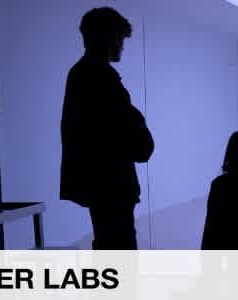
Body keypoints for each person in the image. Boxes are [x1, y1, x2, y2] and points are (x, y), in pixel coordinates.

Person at [60, 7, 154, 250]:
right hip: (111, 185)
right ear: (109, 38)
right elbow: (126, 132)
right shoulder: (100, 77)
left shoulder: (81, 74)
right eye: (120, 39)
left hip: (101, 185)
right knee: (119, 249)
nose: (122, 46)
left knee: (109, 245)